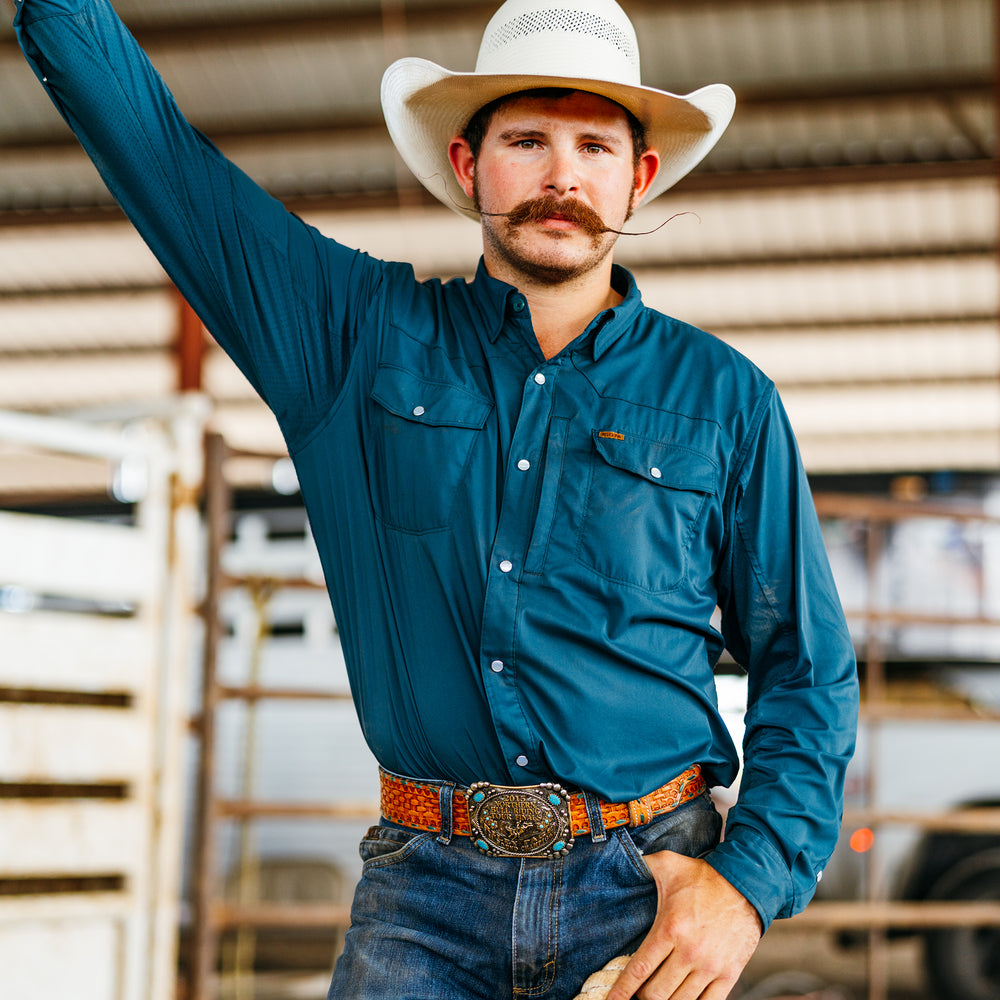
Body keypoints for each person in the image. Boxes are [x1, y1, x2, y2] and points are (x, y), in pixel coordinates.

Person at [12, 0, 859, 997]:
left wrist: (743, 887)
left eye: (594, 145)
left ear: (638, 177)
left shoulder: (723, 399)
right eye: (527, 140)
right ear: (467, 165)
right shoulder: (355, 338)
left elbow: (807, 669)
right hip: (423, 905)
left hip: (644, 893)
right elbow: (159, 157)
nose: (560, 176)